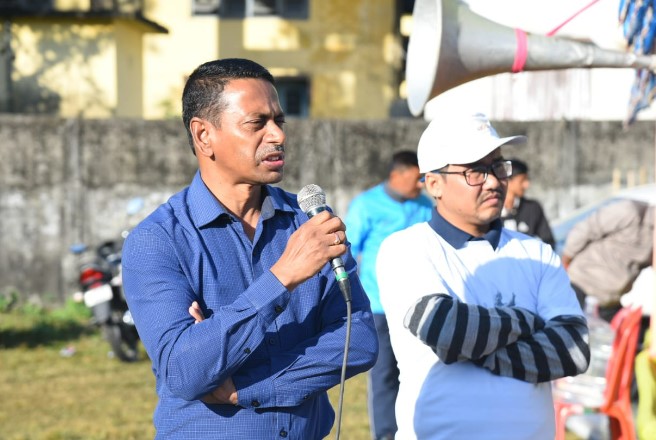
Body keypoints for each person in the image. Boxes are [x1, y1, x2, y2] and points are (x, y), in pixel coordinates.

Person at [121, 58, 378, 439]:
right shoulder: (158, 240)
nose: (277, 135)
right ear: (204, 135)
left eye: (279, 121)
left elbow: (357, 341)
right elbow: (185, 371)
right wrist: (282, 277)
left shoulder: (310, 223)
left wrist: (248, 388)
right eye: (256, 123)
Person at [376, 113, 590, 440]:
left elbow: (573, 349)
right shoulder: (406, 248)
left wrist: (476, 349)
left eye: (497, 166)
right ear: (434, 184)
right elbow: (447, 330)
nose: (492, 181)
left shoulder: (537, 253)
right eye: (475, 170)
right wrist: (528, 320)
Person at [344, 150, 433, 440]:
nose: (420, 184)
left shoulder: (424, 205)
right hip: (380, 306)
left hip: (420, 306)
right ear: (396, 175)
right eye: (415, 178)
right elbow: (348, 252)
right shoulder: (366, 205)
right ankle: (384, 434)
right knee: (384, 376)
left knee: (421, 373)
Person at [562, 198, 654, 322]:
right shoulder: (630, 211)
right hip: (581, 285)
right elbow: (586, 229)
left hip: (609, 301)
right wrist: (566, 259)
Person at [501, 158, 555, 248]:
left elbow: (548, 241)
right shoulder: (491, 209)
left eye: (527, 180)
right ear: (508, 180)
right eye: (522, 181)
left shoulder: (532, 208)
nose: (527, 185)